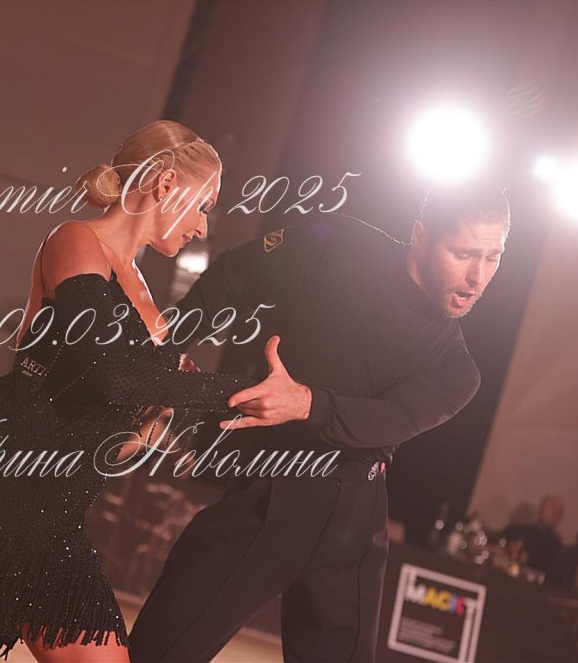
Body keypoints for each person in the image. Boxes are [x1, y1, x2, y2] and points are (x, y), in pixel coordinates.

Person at [0, 120, 281, 662]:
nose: (203, 228)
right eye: (204, 206)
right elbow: (106, 372)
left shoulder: (147, 299)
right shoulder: (76, 241)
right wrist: (241, 388)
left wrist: (183, 410)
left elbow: (135, 403)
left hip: (51, 507)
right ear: (165, 184)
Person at [129, 181, 511, 662]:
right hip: (269, 491)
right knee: (156, 653)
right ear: (420, 235)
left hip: (352, 519)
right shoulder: (337, 243)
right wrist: (163, 357)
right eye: (464, 253)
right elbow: (236, 274)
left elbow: (388, 420)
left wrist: (305, 403)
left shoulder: (457, 370)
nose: (478, 276)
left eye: (493, 257)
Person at [501, 494, 565, 574]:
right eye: (552, 508)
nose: (555, 514)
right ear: (541, 508)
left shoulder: (557, 547)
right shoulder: (516, 531)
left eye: (559, 512)